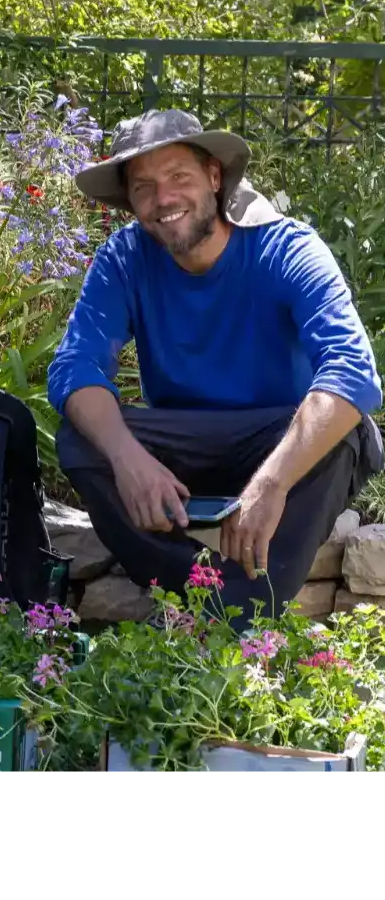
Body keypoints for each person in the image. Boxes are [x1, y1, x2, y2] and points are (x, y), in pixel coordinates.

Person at [47, 108, 382, 629]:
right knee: (82, 435)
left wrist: (271, 484)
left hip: (277, 443)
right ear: (130, 201)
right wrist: (127, 458)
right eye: (144, 187)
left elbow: (352, 371)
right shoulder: (123, 258)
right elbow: (75, 367)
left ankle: (220, 614)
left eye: (179, 176)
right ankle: (212, 597)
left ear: (214, 176)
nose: (163, 199)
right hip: (184, 450)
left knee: (343, 432)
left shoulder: (286, 248)